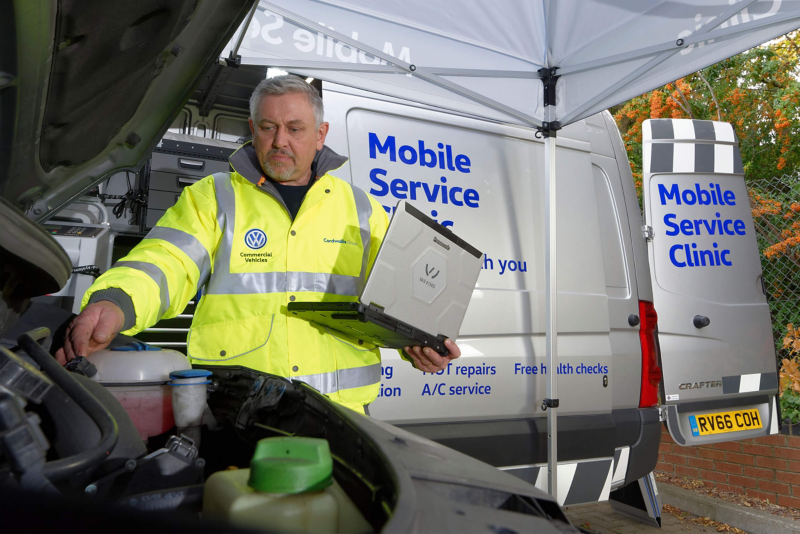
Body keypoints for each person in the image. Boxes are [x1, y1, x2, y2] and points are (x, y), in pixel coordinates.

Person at [56, 75, 461, 412]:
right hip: (237, 408)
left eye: (295, 129)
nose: (280, 140)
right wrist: (115, 302)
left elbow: (394, 303)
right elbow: (166, 261)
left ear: (320, 135)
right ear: (253, 130)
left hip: (343, 414)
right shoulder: (213, 196)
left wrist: (418, 343)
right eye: (268, 127)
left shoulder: (363, 209)